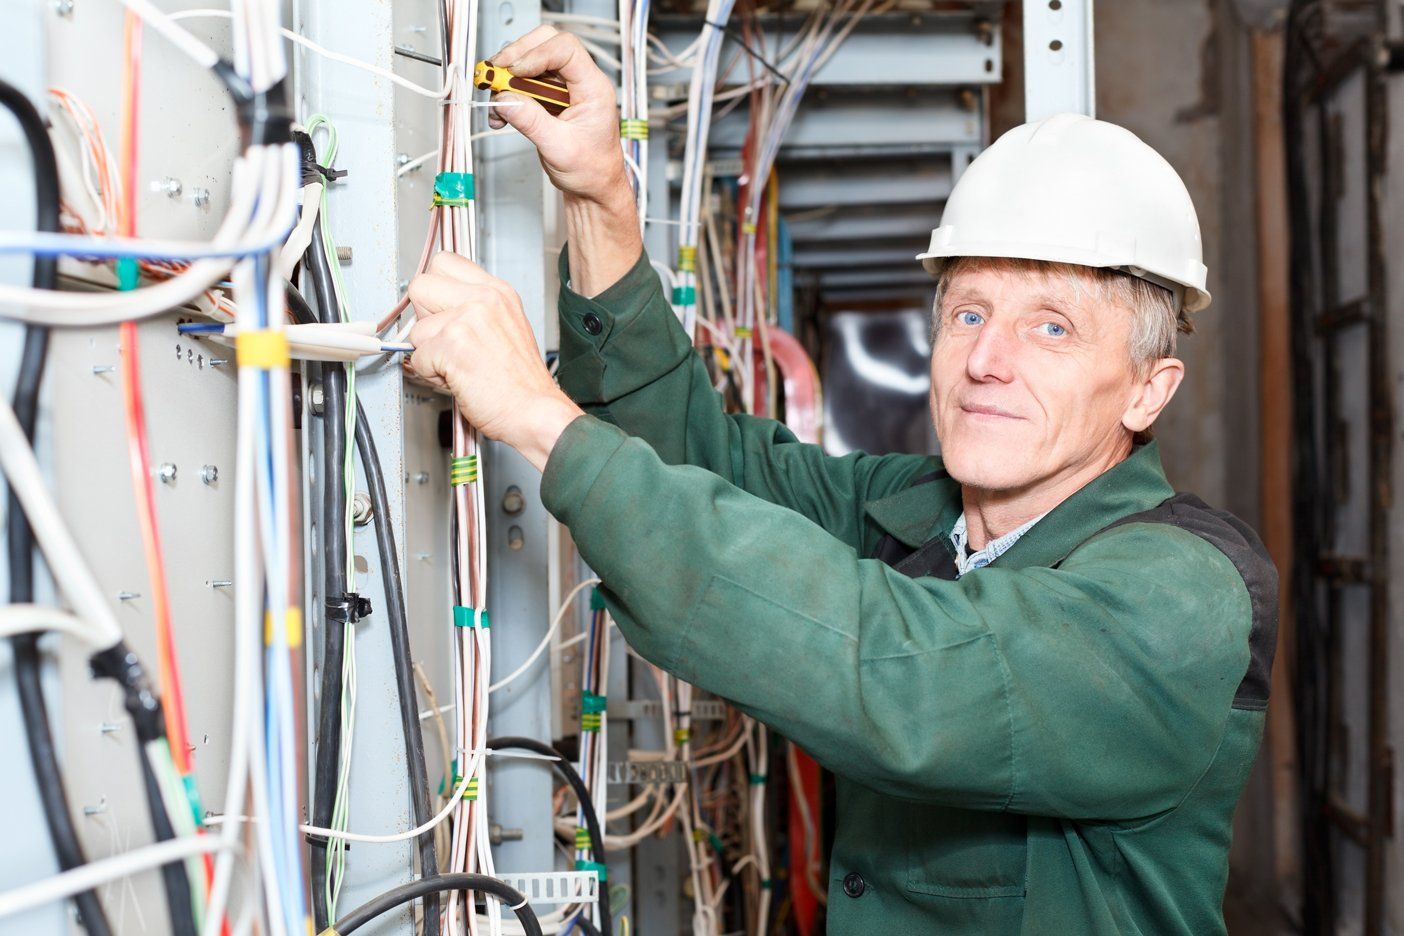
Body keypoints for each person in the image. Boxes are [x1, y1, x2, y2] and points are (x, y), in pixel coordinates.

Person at [404, 25, 1277, 935]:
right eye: (969, 311)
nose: (987, 360)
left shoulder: (1182, 596)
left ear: (1148, 388)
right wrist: (600, 201)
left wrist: (537, 414)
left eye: (1051, 327)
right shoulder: (913, 513)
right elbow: (693, 464)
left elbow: (906, 675)